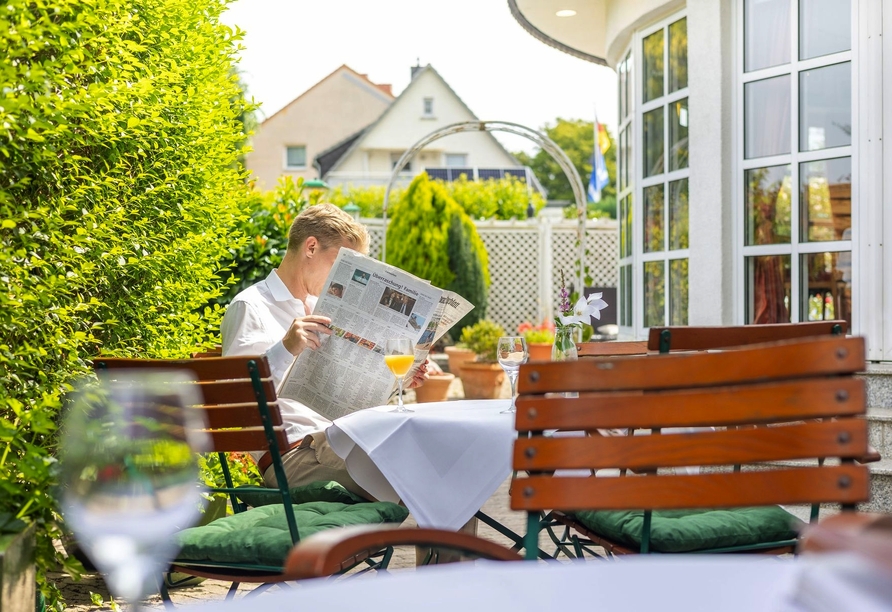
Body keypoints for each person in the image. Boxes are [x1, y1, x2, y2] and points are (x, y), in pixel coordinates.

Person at [221, 203, 428, 499]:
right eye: (342, 264)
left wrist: (401, 379)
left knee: (439, 461)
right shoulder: (251, 306)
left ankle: (440, 548)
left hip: (344, 441)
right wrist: (286, 347)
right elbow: (235, 400)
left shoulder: (325, 309)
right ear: (311, 247)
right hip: (294, 456)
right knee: (418, 473)